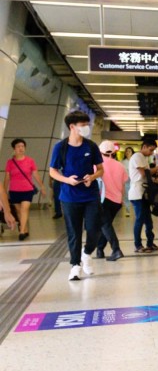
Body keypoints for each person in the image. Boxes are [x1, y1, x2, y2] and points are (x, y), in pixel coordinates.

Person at [49, 110, 104, 281]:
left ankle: (87, 253)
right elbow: (52, 171)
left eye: (87, 124)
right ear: (72, 127)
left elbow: (101, 169)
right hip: (70, 197)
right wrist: (66, 179)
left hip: (91, 195)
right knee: (74, 233)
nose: (86, 128)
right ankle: (75, 265)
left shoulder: (91, 146)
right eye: (83, 125)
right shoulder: (61, 147)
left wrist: (92, 176)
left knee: (95, 229)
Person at [128, 138, 158, 253]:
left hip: (144, 193)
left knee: (148, 220)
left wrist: (156, 183)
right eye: (150, 150)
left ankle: (150, 242)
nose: (151, 153)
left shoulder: (143, 158)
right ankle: (137, 245)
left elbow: (147, 177)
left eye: (153, 151)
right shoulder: (137, 157)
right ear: (144, 146)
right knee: (140, 219)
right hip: (137, 194)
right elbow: (144, 173)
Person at [4, 138, 46, 240]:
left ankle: (22, 232)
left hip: (27, 190)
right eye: (18, 146)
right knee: (18, 210)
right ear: (14, 149)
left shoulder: (30, 161)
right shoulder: (10, 162)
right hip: (14, 190)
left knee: (24, 208)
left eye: (22, 146)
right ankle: (25, 228)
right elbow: (7, 178)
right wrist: (4, 192)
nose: (21, 148)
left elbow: (35, 175)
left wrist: (42, 186)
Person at [94, 140, 127, 262]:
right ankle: (100, 249)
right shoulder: (120, 165)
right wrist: (121, 199)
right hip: (116, 201)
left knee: (105, 225)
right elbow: (123, 185)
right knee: (106, 225)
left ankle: (116, 249)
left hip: (103, 200)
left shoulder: (97, 165)